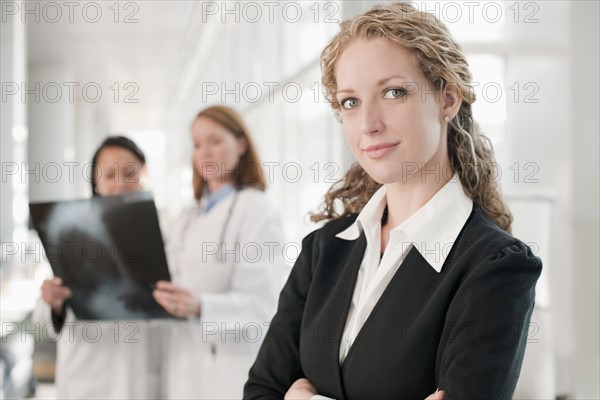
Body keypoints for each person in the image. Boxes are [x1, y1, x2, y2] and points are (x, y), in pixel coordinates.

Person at [244, 3, 542, 399]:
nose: (368, 124)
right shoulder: (324, 251)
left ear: (448, 100)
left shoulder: (496, 267)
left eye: (393, 92)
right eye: (350, 102)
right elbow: (261, 391)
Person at [152, 105, 284, 399]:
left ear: (240, 144)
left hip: (230, 370)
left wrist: (201, 306)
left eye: (215, 141)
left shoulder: (256, 210)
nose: (205, 152)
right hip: (183, 367)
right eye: (198, 144)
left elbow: (262, 305)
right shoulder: (186, 217)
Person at [32, 136, 158, 399]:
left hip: (140, 380)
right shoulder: (73, 234)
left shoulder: (168, 236)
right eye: (110, 175)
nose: (120, 183)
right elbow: (44, 321)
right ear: (96, 182)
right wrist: (52, 303)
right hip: (87, 380)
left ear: (145, 174)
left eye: (129, 173)